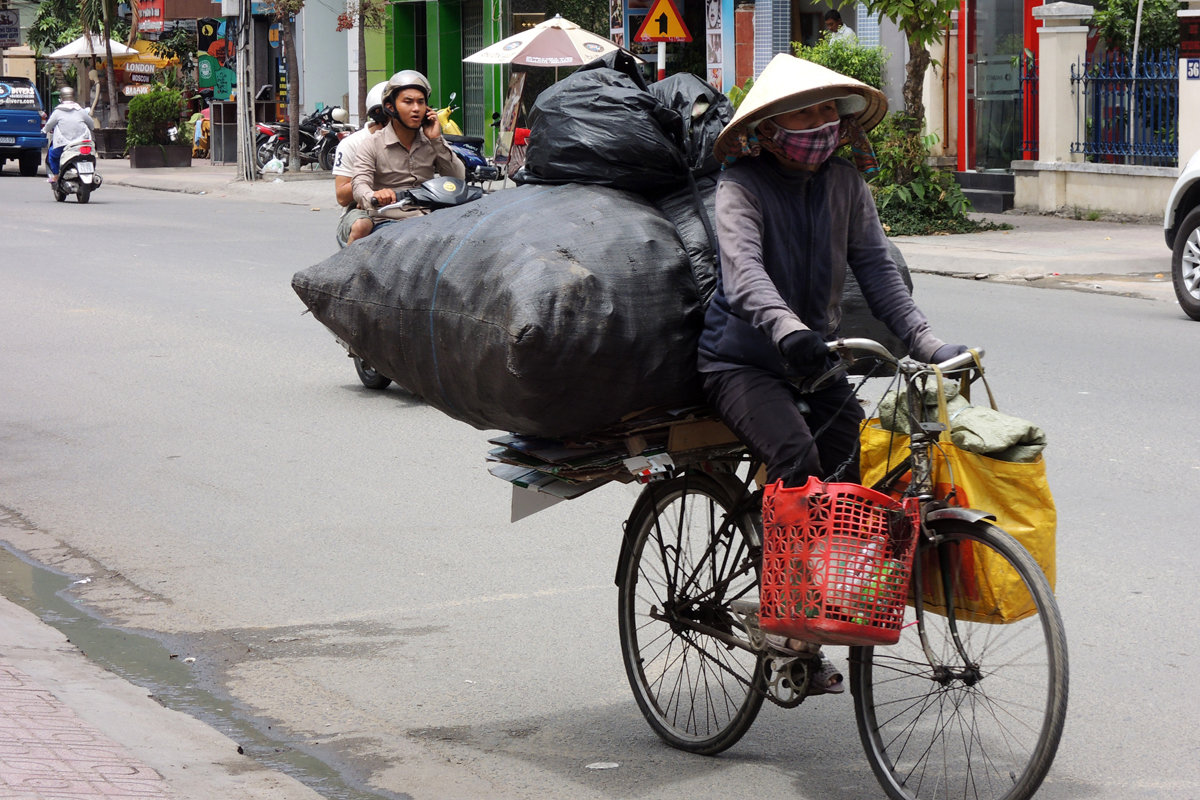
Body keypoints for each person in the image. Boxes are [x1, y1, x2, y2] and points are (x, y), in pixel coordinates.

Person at [702, 54, 968, 693]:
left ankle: (822, 597)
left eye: (829, 111)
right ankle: (790, 621)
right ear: (767, 128)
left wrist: (927, 342)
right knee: (797, 458)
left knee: (853, 457)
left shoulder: (847, 184)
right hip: (743, 358)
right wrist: (787, 329)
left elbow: (877, 270)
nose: (821, 124)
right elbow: (743, 273)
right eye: (805, 113)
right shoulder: (741, 186)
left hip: (814, 359)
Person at [349, 70, 465, 242]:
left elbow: (458, 178)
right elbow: (359, 184)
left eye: (421, 102)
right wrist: (374, 196)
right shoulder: (371, 144)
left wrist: (436, 139)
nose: (416, 109)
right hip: (388, 221)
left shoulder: (432, 142)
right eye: (408, 102)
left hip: (432, 219)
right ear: (390, 106)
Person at [333, 81, 388, 247]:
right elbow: (342, 197)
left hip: (407, 206)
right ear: (380, 113)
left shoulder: (418, 140)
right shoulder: (352, 143)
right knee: (361, 226)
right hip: (362, 210)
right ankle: (345, 269)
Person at [42, 87, 95, 184]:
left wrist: (44, 130)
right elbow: (92, 125)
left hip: (64, 144)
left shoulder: (58, 111)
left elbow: (49, 125)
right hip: (81, 144)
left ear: (61, 98)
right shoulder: (81, 110)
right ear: (73, 97)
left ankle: (56, 176)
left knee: (52, 155)